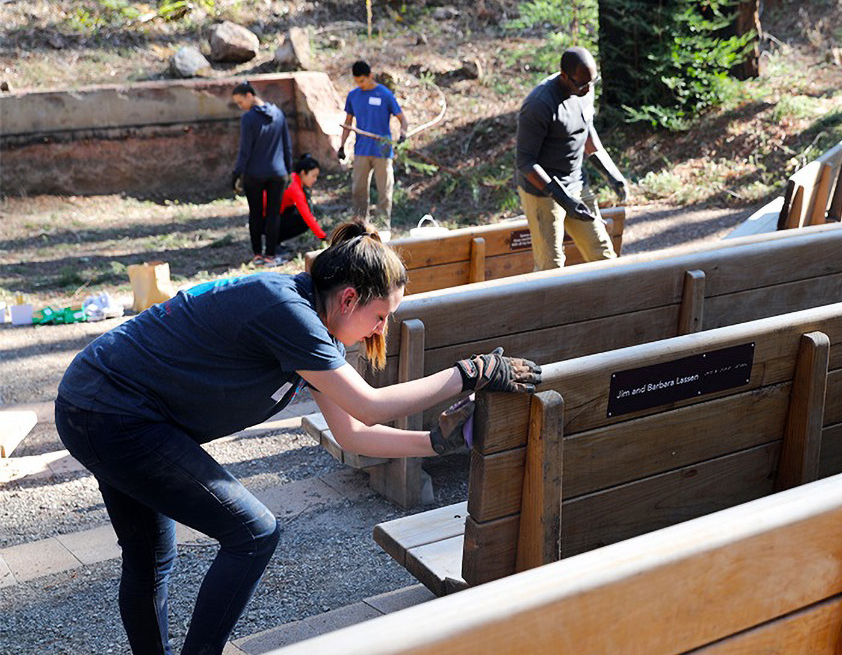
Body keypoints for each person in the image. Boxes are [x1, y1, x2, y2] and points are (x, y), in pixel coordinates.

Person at [54, 219, 541, 655]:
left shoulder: (316, 328)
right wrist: (470, 372)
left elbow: (353, 432)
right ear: (348, 297)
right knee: (252, 532)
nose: (381, 327)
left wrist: (436, 442)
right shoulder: (287, 311)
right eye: (379, 315)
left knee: (151, 555)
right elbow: (368, 405)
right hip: (109, 410)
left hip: (102, 405)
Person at [515, 46, 630, 271]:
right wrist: (564, 199)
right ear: (564, 76)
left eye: (592, 83)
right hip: (542, 193)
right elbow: (525, 162)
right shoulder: (539, 104)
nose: (588, 90)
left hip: (577, 182)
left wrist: (613, 174)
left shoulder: (585, 87)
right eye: (581, 85)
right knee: (551, 265)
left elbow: (587, 132)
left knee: (603, 255)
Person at [338, 60, 408, 229]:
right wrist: (342, 146)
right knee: (359, 190)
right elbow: (348, 123)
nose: (360, 85)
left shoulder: (384, 94)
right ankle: (360, 227)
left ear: (370, 76)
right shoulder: (354, 96)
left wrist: (403, 134)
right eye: (357, 82)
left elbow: (402, 119)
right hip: (361, 149)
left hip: (382, 150)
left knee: (384, 191)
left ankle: (383, 227)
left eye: (362, 81)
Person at [232, 81, 294, 267]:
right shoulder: (278, 113)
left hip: (254, 174)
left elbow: (245, 150)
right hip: (278, 173)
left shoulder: (248, 118)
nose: (240, 106)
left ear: (249, 96)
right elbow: (286, 145)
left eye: (240, 102)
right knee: (274, 214)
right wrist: (289, 171)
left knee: (256, 214)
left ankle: (257, 254)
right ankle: (271, 255)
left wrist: (237, 173)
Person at [262, 153, 329, 254]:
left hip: (271, 216)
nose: (315, 180)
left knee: (295, 212)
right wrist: (323, 237)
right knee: (303, 220)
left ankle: (275, 242)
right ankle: (272, 245)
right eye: (313, 176)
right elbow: (306, 215)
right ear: (303, 173)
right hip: (264, 220)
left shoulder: (294, 178)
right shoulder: (294, 186)